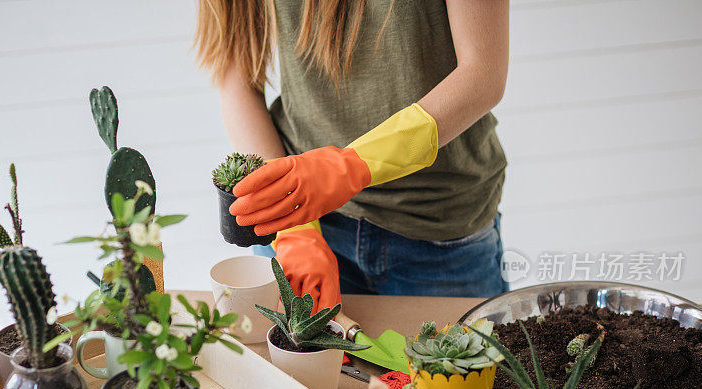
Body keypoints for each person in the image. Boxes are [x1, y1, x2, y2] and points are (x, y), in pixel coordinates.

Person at [196, 0, 510, 313]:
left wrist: (349, 167)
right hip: (304, 219)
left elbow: (483, 73)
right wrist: (293, 227)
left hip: (440, 227)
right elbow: (236, 78)